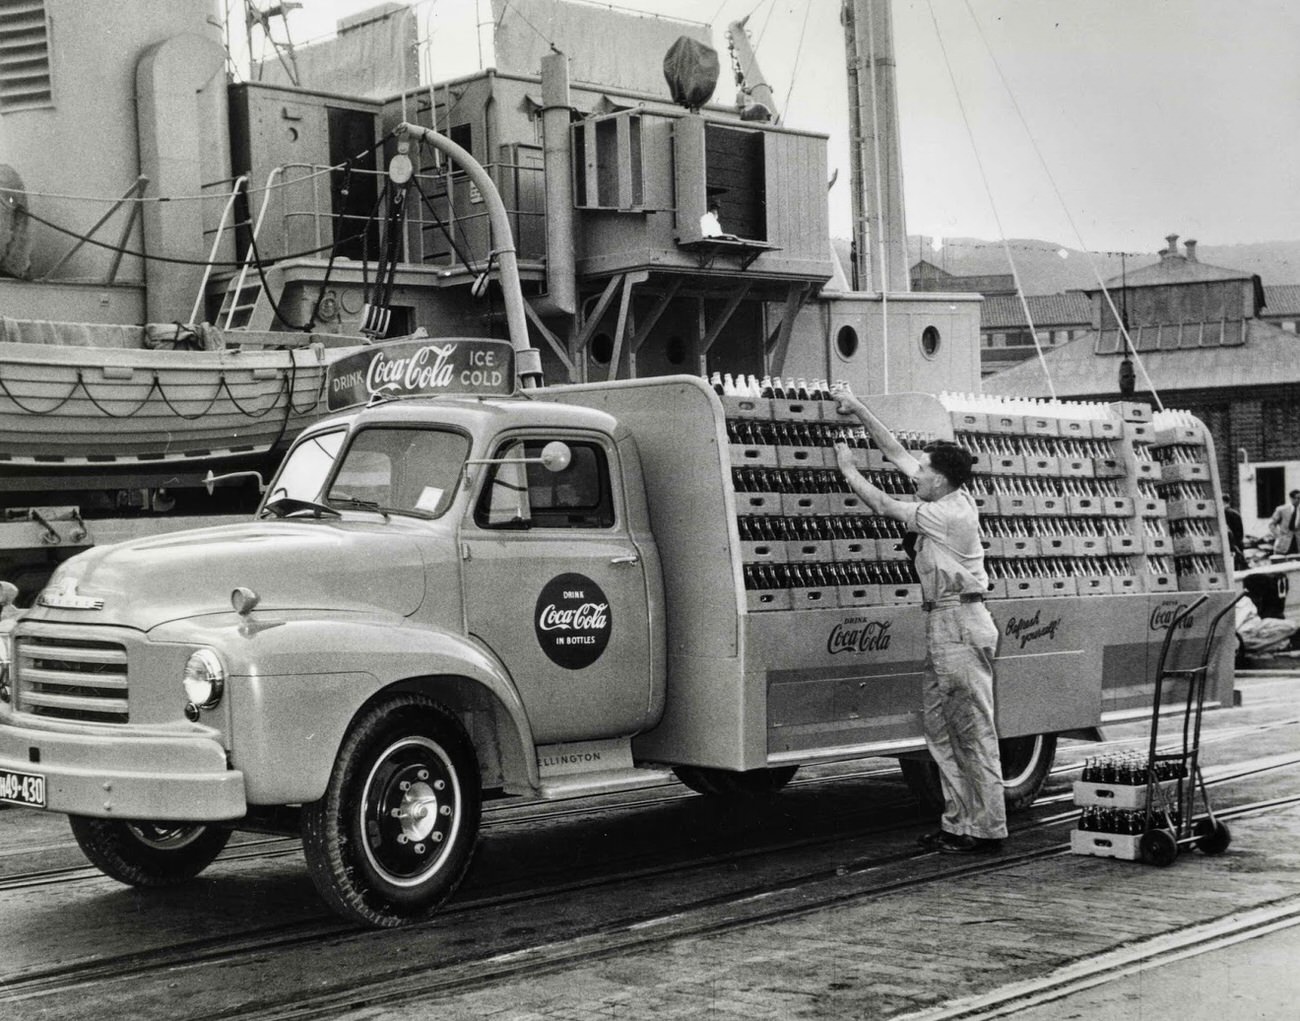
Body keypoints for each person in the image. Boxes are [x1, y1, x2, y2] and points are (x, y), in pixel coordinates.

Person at [832, 389, 1006, 854]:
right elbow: (895, 453)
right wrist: (857, 408)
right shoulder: (945, 492)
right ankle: (958, 822)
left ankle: (987, 830)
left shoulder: (946, 514)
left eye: (924, 471)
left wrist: (849, 472)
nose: (917, 474)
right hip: (944, 624)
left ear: (942, 480)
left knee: (971, 732)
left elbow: (886, 506)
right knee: (942, 730)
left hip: (960, 626)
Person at [1268, 489, 1300, 556]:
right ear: (1291, 498)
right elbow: (1272, 524)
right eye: (1297, 498)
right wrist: (1278, 535)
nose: (1298, 500)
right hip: (1283, 543)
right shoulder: (1281, 510)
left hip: (1297, 543)